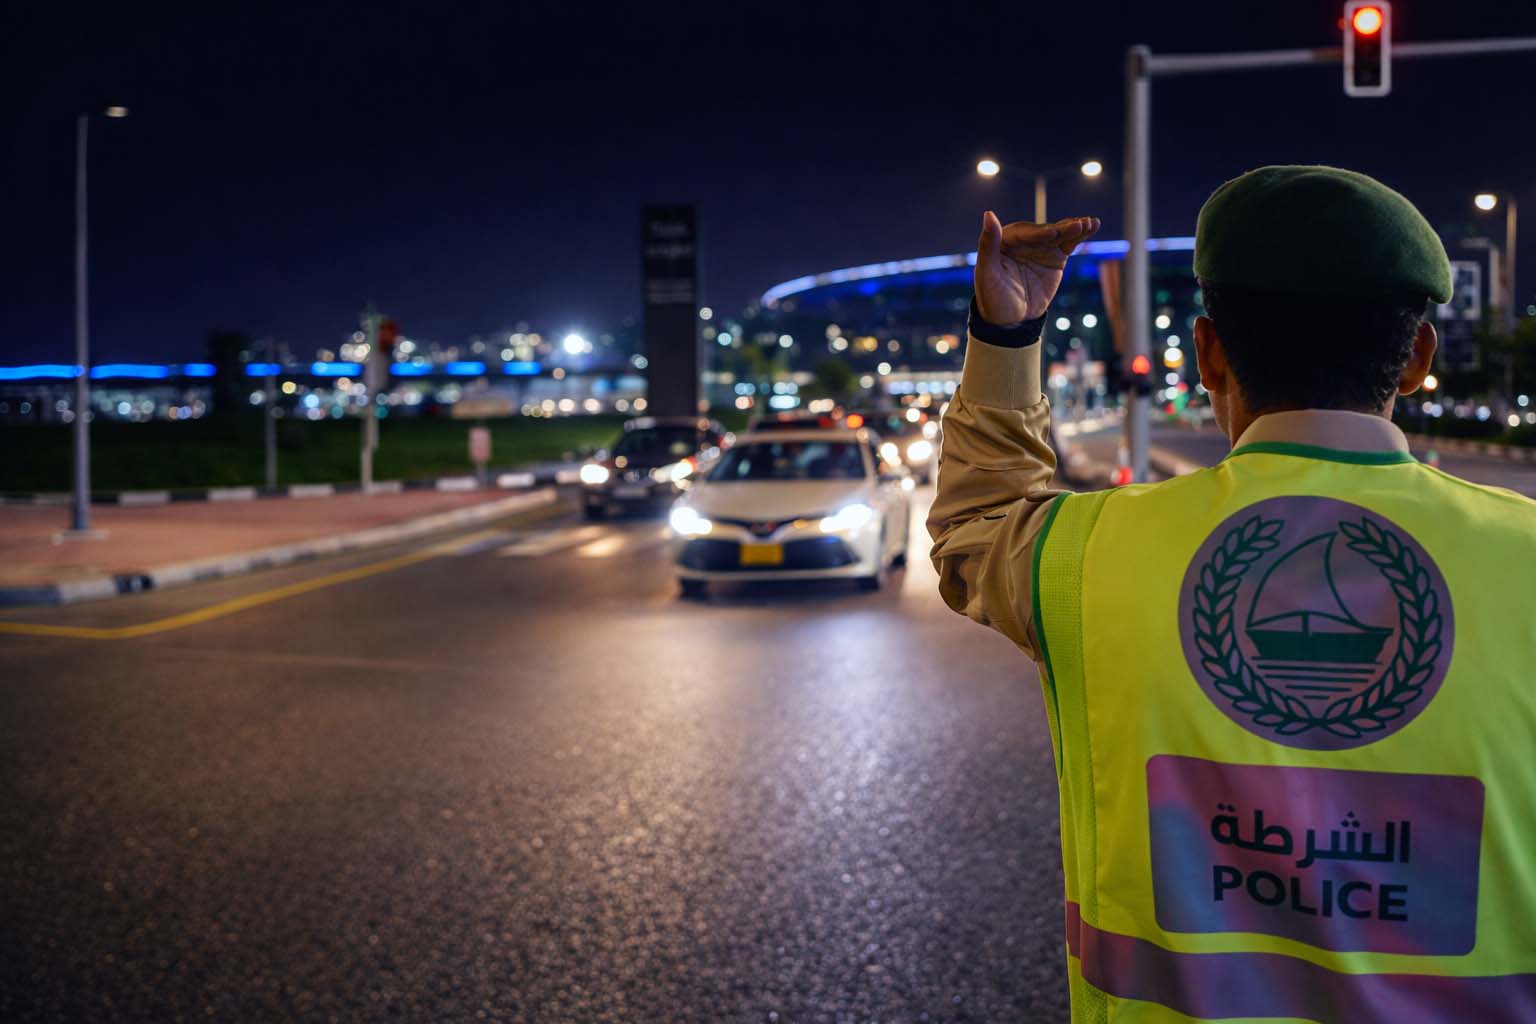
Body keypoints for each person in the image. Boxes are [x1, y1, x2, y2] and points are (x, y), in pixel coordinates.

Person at [929, 165, 1536, 1022]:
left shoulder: (1083, 553)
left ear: (1209, 352)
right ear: (1417, 362)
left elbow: (975, 524)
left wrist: (1006, 334)